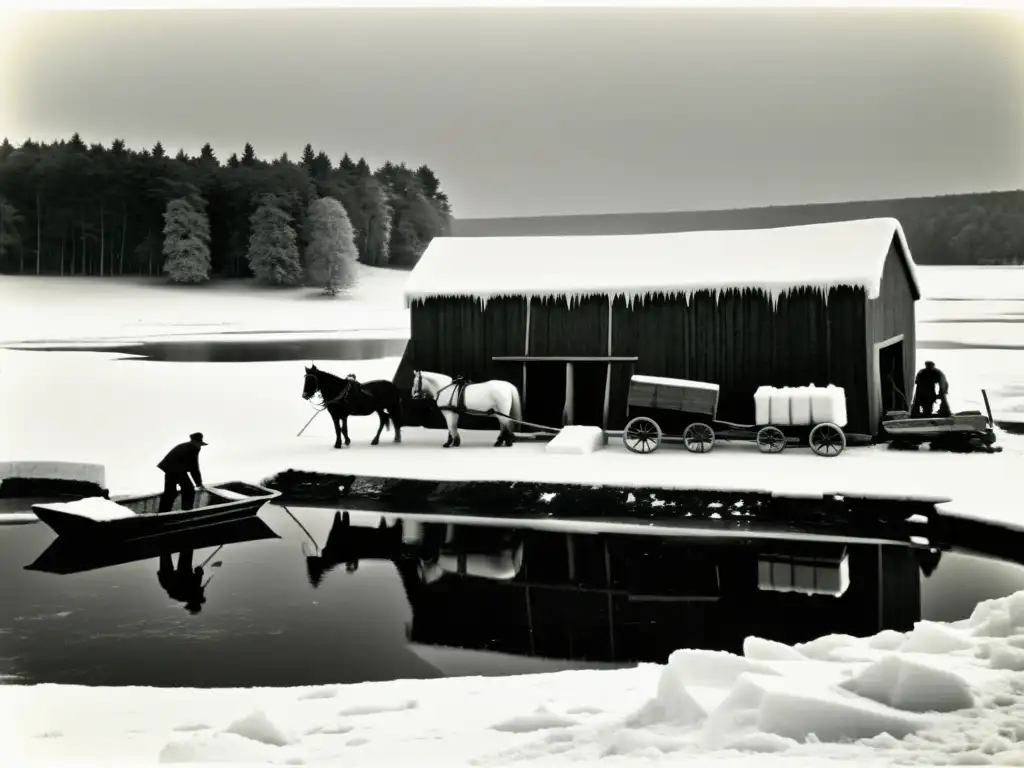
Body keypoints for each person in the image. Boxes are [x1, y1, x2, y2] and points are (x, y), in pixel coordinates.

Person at [157, 432, 207, 513]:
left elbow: (192, 468)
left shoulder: (187, 446)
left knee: (170, 492)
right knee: (189, 490)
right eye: (199, 444)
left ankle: (163, 512)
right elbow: (194, 468)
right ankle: (186, 511)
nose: (200, 446)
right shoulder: (192, 449)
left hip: (170, 469)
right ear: (195, 442)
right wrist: (199, 483)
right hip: (175, 469)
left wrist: (198, 482)